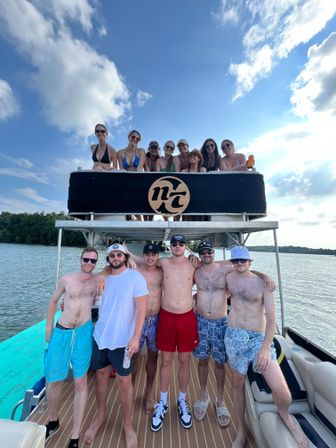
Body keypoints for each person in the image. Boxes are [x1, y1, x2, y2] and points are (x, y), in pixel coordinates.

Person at [225, 246, 309, 448]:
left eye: (243, 261)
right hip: (234, 336)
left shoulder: (263, 283)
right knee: (237, 383)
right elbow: (208, 271)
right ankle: (241, 430)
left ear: (250, 261)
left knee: (282, 390)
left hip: (257, 339)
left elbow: (271, 319)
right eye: (235, 261)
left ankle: (285, 414)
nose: (239, 264)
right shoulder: (229, 278)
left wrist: (264, 348)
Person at [84, 243, 148, 448]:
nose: (116, 257)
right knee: (101, 376)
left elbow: (141, 310)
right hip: (101, 337)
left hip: (123, 341)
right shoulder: (103, 278)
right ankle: (100, 416)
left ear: (125, 256)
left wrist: (136, 337)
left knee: (124, 382)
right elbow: (86, 290)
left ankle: (128, 426)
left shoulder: (135, 277)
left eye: (119, 254)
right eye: (112, 255)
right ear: (109, 258)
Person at [44, 248, 99, 448]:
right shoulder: (67, 279)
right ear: (80, 259)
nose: (89, 263)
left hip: (83, 332)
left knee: (80, 382)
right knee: (54, 380)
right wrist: (48, 330)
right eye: (86, 259)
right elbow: (53, 301)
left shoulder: (97, 281)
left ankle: (75, 436)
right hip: (62, 331)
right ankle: (53, 420)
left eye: (93, 261)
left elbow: (117, 269)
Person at [151, 234, 198, 432]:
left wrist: (260, 274)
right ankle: (162, 402)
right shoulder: (163, 263)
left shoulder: (193, 263)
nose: (178, 246)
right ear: (170, 246)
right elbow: (142, 260)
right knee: (167, 361)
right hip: (167, 317)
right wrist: (125, 253)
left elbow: (217, 266)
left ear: (185, 246)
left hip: (187, 317)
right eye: (174, 244)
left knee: (185, 361)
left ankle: (181, 400)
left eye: (181, 244)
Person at [193, 241, 232, 427]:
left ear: (213, 253)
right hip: (200, 321)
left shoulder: (225, 270)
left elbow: (244, 268)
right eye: (202, 252)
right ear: (200, 255)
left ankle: (221, 400)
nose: (206, 254)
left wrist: (264, 277)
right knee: (202, 360)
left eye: (209, 251)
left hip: (220, 323)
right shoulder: (196, 271)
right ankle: (202, 395)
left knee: (219, 363)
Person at [132, 243, 163, 414]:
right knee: (134, 357)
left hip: (156, 319)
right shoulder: (136, 270)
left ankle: (149, 393)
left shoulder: (162, 271)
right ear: (143, 256)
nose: (150, 258)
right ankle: (131, 389)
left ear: (158, 256)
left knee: (153, 357)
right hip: (138, 319)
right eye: (147, 255)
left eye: (154, 254)